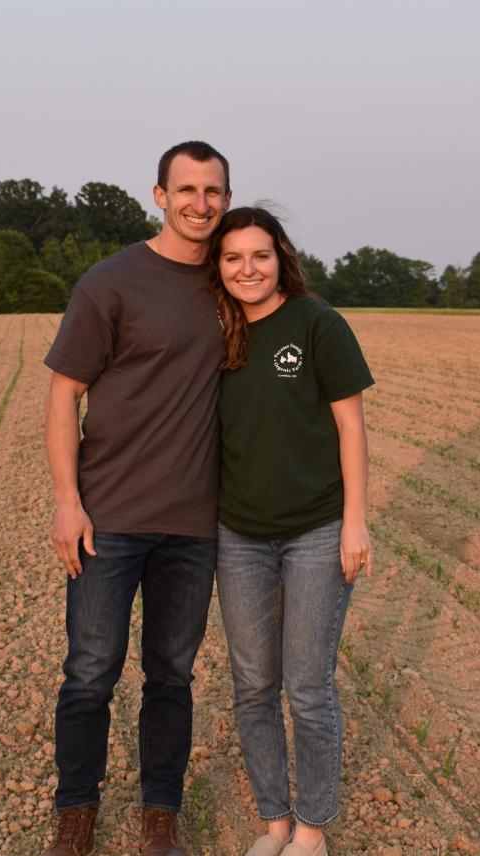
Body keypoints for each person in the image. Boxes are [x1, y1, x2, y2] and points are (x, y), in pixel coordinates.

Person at [42, 141, 232, 856]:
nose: (201, 204)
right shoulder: (111, 282)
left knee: (172, 676)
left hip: (195, 523)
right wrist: (68, 501)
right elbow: (64, 394)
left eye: (213, 191)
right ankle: (76, 813)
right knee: (90, 672)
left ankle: (161, 816)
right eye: (186, 189)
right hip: (109, 519)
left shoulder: (232, 282)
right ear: (159, 195)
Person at [207, 207, 374, 856]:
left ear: (282, 259)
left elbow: (351, 428)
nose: (248, 268)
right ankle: (274, 820)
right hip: (238, 536)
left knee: (307, 687)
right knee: (253, 687)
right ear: (218, 268)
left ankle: (310, 830)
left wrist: (354, 522)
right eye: (233, 257)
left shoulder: (317, 325)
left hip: (315, 531)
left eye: (260, 255)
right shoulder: (215, 335)